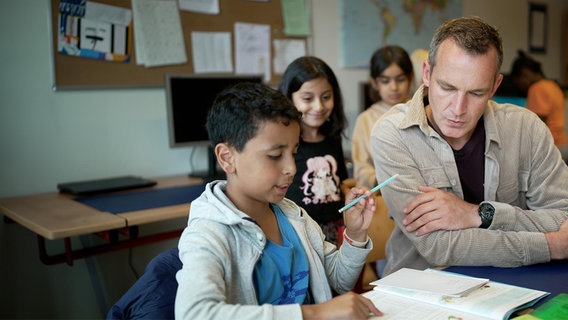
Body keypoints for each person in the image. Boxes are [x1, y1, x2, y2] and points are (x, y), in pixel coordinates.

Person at [370, 16, 568, 276]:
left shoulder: (526, 128)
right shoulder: (392, 134)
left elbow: (562, 217)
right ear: (427, 74)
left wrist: (479, 214)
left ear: (495, 86)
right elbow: (438, 246)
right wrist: (549, 246)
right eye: (447, 88)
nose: (458, 109)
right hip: (423, 290)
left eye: (476, 93)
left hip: (519, 282)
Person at [175, 82, 383, 319]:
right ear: (227, 158)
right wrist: (313, 313)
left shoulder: (293, 215)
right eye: (275, 156)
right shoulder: (208, 233)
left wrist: (355, 236)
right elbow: (194, 314)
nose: (291, 168)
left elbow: (338, 279)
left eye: (294, 154)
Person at [278, 56, 349, 245]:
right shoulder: (282, 143)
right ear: (289, 98)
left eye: (326, 97)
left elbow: (340, 184)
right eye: (308, 98)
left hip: (334, 234)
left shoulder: (333, 139)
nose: (318, 106)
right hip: (296, 234)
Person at [352, 45, 414, 189]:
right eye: (385, 81)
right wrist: (377, 180)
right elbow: (361, 168)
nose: (394, 87)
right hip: (383, 195)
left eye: (400, 79)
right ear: (374, 82)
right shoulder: (365, 120)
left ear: (410, 78)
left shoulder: (420, 111)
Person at [510, 50, 568, 162]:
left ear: (525, 75)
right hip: (562, 143)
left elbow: (536, 124)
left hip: (552, 148)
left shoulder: (537, 88)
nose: (520, 88)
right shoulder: (553, 85)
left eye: (518, 83)